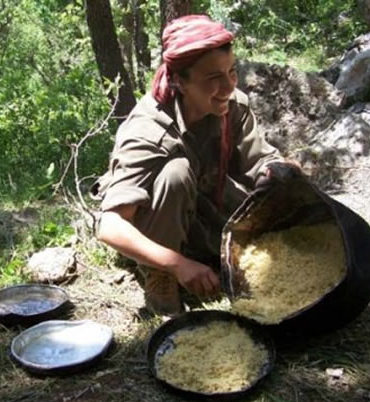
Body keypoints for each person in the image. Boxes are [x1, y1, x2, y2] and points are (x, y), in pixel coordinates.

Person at [91, 14, 296, 315]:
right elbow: (110, 226)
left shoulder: (232, 107)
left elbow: (258, 161)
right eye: (213, 78)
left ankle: (207, 250)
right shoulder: (148, 130)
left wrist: (277, 170)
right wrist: (177, 265)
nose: (227, 86)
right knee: (176, 173)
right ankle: (160, 275)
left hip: (207, 199)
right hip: (158, 217)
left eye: (232, 72)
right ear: (178, 82)